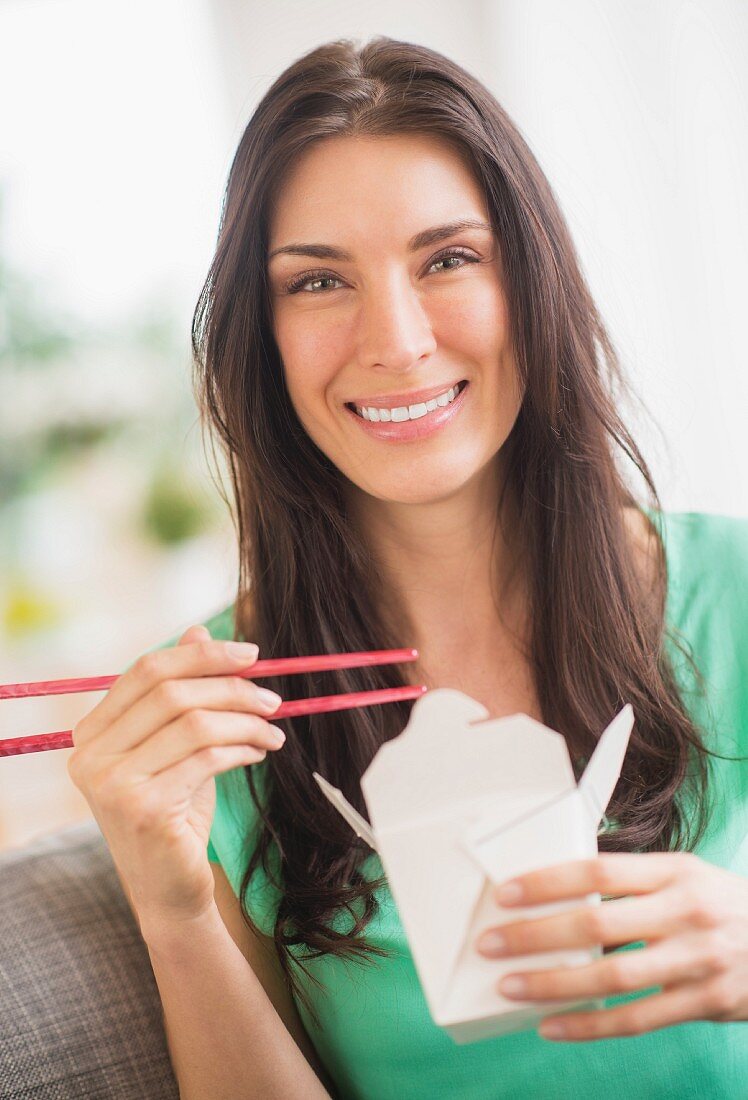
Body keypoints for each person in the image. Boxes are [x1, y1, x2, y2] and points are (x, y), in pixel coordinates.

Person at [67, 36, 748, 1100]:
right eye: (319, 280)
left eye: (447, 259)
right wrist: (175, 911)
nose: (395, 339)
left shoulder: (736, 589)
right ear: (262, 335)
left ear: (532, 282)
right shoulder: (209, 713)